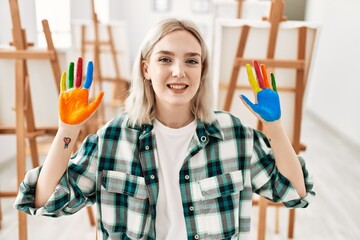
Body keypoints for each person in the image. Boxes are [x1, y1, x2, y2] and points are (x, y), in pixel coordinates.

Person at [14, 18, 315, 240]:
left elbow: (294, 192)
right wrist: (67, 130)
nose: (179, 71)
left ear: (202, 70)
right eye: (165, 59)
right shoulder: (113, 138)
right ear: (146, 68)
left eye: (191, 61)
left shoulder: (233, 135)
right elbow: (44, 200)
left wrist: (274, 128)